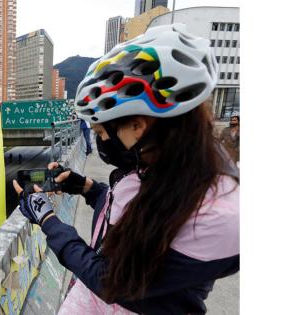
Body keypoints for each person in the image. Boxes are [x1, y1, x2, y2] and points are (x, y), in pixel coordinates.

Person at [13, 24, 239, 314]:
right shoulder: (164, 168)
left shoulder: (218, 214)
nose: (101, 143)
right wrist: (87, 188)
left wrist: (47, 218)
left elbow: (112, 282)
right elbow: (133, 213)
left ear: (137, 126)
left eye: (103, 133)